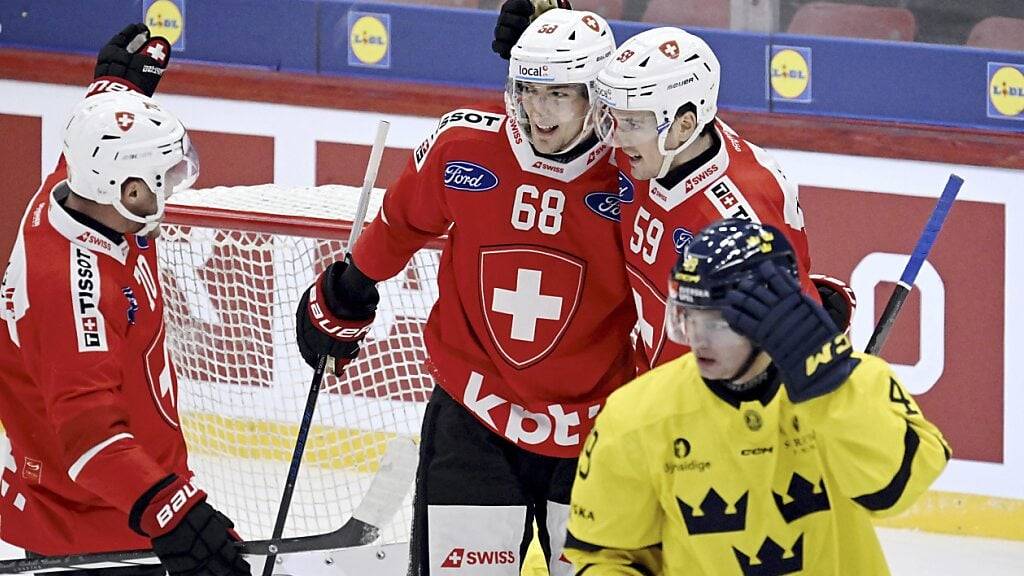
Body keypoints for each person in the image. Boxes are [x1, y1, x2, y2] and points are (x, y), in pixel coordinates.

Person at [295, 9, 635, 576]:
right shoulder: (464, 147)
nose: (538, 110)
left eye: (559, 93)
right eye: (528, 89)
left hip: (596, 431)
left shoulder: (635, 174)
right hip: (475, 415)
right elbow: (402, 222)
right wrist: (352, 287)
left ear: (598, 96)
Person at [563, 219, 951, 575]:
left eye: (719, 323)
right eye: (689, 318)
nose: (698, 339)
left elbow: (897, 490)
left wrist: (832, 386)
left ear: (772, 316)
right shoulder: (636, 415)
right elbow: (607, 556)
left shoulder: (856, 381)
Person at [0, 24, 250, 576]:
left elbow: (101, 126)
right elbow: (90, 438)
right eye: (161, 177)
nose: (170, 186)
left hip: (134, 503)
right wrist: (175, 514)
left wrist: (118, 85)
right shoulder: (72, 294)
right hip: (92, 535)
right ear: (127, 189)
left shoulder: (86, 188)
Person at [493, 6, 845, 373]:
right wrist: (550, 45)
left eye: (632, 123)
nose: (616, 139)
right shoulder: (657, 149)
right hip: (657, 385)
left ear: (684, 125)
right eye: (614, 118)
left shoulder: (735, 225)